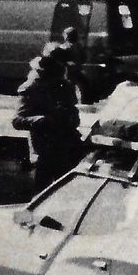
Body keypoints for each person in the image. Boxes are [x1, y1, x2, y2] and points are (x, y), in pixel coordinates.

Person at [12, 37, 84, 187]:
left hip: (66, 146)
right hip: (44, 149)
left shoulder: (64, 86)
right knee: (43, 191)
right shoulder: (32, 87)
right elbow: (18, 120)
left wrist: (71, 118)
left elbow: (73, 112)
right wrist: (43, 120)